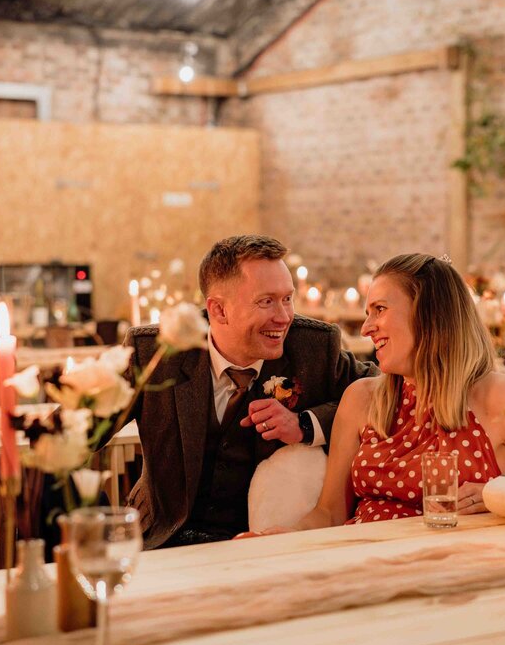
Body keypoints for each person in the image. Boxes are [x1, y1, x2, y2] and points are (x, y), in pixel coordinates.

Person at [258, 253, 505, 533]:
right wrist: (281, 536)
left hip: (453, 574)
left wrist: (504, 495)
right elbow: (330, 514)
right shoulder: (361, 398)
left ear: (431, 314)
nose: (367, 328)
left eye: (379, 309)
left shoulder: (497, 397)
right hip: (362, 564)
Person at [124, 234, 377, 548]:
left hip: (263, 540)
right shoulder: (155, 353)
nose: (284, 317)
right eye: (266, 301)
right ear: (218, 310)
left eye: (287, 298)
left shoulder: (314, 346)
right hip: (160, 539)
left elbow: (380, 390)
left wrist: (305, 425)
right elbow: (78, 428)